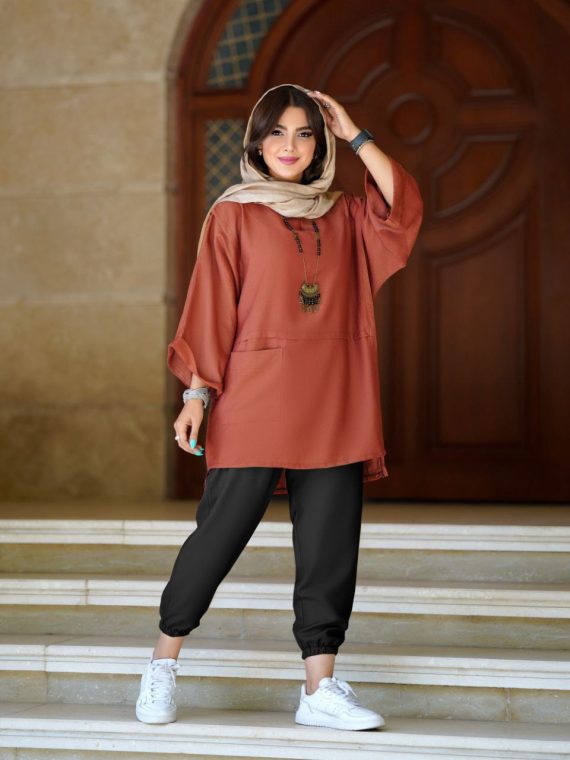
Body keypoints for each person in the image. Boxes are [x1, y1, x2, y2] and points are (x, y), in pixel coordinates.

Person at [136, 83, 423, 731]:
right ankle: (162, 663)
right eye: (276, 133)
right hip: (254, 395)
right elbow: (211, 307)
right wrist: (196, 393)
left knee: (329, 546)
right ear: (256, 143)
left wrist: (354, 132)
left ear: (319, 144)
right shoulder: (232, 214)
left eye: (304, 134)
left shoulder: (347, 214)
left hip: (335, 394)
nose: (289, 146)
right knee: (219, 534)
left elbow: (403, 208)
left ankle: (319, 688)